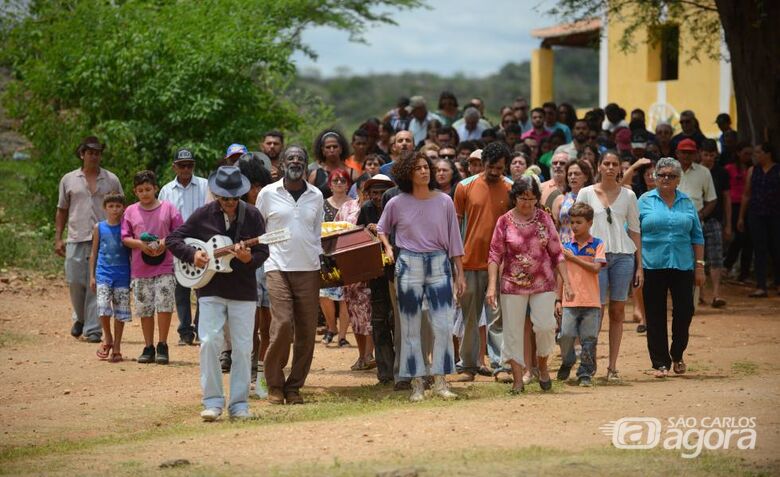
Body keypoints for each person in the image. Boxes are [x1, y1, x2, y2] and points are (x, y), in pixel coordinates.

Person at [167, 166, 269, 420]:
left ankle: (239, 404)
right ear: (216, 194)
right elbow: (173, 239)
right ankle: (212, 401)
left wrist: (248, 259)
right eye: (225, 198)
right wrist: (193, 255)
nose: (231, 203)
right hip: (210, 288)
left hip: (243, 291)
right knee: (210, 343)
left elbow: (263, 251)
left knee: (244, 348)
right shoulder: (203, 215)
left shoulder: (253, 215)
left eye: (235, 198)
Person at [377, 151, 466, 402]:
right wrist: (388, 247)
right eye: (418, 168)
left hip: (439, 262)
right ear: (408, 173)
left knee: (443, 325)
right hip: (408, 263)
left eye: (426, 167)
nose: (425, 171)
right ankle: (416, 383)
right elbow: (381, 228)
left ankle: (440, 381)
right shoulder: (396, 202)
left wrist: (460, 273)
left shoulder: (445, 201)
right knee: (410, 327)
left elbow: (455, 240)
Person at [485, 177, 573, 393]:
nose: (527, 203)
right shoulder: (504, 221)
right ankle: (517, 378)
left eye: (532, 199)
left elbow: (557, 253)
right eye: (523, 198)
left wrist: (568, 283)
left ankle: (541, 367)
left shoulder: (544, 218)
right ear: (514, 197)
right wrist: (491, 286)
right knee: (512, 332)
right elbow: (495, 255)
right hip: (511, 285)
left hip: (543, 283)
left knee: (545, 326)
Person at [256, 145, 323, 405]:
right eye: (291, 158)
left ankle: (294, 387)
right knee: (282, 324)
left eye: (300, 158)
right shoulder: (267, 193)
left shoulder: (316, 195)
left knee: (306, 332)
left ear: (306, 165)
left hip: (309, 268)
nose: (295, 161)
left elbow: (316, 232)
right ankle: (275, 384)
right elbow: (260, 229)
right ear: (282, 163)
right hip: (277, 266)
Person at [576, 150, 643, 382]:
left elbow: (635, 230)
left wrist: (640, 266)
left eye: (615, 164)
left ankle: (612, 366)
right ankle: (588, 365)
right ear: (599, 166)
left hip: (624, 256)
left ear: (620, 168)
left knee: (617, 311)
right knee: (596, 311)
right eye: (607, 163)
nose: (611, 167)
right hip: (596, 258)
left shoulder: (629, 195)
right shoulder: (585, 193)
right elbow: (577, 227)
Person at [639, 158, 705, 378]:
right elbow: (634, 234)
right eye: (662, 175)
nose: (666, 179)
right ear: (655, 177)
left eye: (671, 176)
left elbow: (697, 236)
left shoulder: (687, 203)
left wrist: (700, 266)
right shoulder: (644, 201)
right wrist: (636, 265)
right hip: (652, 264)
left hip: (683, 264)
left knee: (685, 311)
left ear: (679, 179)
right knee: (655, 314)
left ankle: (677, 353)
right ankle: (660, 363)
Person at [453, 142, 513, 381]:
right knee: (469, 317)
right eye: (491, 166)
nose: (495, 171)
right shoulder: (464, 187)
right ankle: (468, 365)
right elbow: (455, 229)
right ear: (482, 163)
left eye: (499, 167)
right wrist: (456, 266)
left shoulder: (510, 188)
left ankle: (500, 366)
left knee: (497, 316)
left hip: (499, 265)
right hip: (468, 263)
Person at [56, 136, 123, 342]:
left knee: (97, 283)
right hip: (76, 236)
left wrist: (123, 235)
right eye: (90, 152)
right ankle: (81, 318)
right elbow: (62, 209)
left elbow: (122, 207)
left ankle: (93, 330)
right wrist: (58, 237)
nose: (94, 156)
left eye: (97, 152)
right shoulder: (69, 179)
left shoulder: (111, 179)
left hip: (104, 237)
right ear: (82, 154)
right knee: (75, 281)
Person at [121, 170, 183, 364]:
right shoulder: (130, 211)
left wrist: (164, 243)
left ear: (156, 188)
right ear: (135, 192)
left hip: (165, 265)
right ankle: (148, 346)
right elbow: (124, 237)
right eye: (140, 190)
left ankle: (162, 344)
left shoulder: (169, 208)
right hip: (140, 268)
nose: (145, 193)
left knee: (164, 305)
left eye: (148, 189)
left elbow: (179, 232)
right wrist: (140, 244)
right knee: (144, 308)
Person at [158, 148, 208, 346]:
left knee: (203, 287)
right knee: (181, 288)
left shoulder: (205, 185)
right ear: (174, 167)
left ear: (193, 166)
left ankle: (201, 327)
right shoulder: (166, 190)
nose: (186, 169)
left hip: (202, 243)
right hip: (178, 245)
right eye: (182, 165)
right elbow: (162, 219)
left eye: (189, 165)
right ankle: (185, 331)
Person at [235, 155, 274, 395]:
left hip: (269, 264)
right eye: (251, 186)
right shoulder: (237, 209)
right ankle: (247, 372)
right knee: (249, 325)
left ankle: (263, 375)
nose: (256, 191)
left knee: (268, 326)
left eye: (259, 185)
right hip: (247, 268)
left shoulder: (271, 201)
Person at [555, 203, 606, 387]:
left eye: (579, 222)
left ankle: (585, 372)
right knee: (566, 335)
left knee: (589, 339)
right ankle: (568, 361)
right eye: (572, 222)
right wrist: (558, 299)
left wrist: (573, 258)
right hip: (570, 301)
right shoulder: (567, 246)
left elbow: (595, 268)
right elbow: (561, 274)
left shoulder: (597, 244)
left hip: (591, 301)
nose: (574, 226)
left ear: (590, 223)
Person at [357, 174, 396, 384]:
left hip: (396, 269)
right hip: (375, 272)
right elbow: (356, 234)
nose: (379, 197)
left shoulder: (398, 205)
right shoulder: (366, 210)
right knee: (379, 320)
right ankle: (385, 372)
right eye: (374, 193)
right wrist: (367, 229)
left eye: (382, 192)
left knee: (397, 319)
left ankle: (401, 368)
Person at [89, 192, 131, 363]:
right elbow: (94, 252)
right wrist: (92, 276)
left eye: (118, 206)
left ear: (123, 208)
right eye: (111, 206)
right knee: (103, 306)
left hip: (122, 274)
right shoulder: (99, 227)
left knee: (120, 311)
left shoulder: (126, 228)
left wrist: (133, 276)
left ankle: (118, 347)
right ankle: (108, 338)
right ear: (105, 208)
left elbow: (131, 254)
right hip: (103, 273)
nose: (114, 209)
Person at [738, 143, 780, 298]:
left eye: (758, 152)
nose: (755, 155)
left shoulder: (777, 170)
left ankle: (778, 282)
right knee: (759, 249)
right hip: (756, 214)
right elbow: (746, 194)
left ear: (767, 154)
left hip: (776, 214)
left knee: (777, 248)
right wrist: (741, 217)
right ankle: (761, 285)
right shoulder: (752, 171)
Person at [319, 169, 352, 347]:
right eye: (335, 180)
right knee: (324, 294)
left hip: (348, 253)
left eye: (343, 180)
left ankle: (343, 335)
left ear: (348, 183)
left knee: (346, 295)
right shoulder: (322, 204)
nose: (339, 183)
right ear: (330, 184)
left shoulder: (354, 204)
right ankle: (331, 327)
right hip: (325, 253)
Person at [698, 139, 731, 307]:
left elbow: (726, 198)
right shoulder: (695, 171)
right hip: (695, 220)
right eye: (706, 154)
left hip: (714, 220)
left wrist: (728, 223)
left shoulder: (722, 173)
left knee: (716, 256)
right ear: (700, 154)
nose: (709, 157)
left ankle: (717, 293)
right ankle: (701, 294)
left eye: (712, 154)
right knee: (698, 258)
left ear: (716, 155)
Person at [723, 143, 754, 282]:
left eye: (750, 154)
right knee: (738, 238)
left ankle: (744, 273)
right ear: (738, 153)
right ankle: (727, 265)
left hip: (749, 206)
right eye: (746, 153)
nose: (748, 156)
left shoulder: (752, 169)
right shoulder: (729, 169)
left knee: (749, 240)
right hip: (734, 205)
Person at [552, 158, 595, 244]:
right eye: (569, 174)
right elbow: (555, 227)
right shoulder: (561, 199)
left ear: (586, 177)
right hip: (565, 245)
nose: (572, 177)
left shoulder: (593, 198)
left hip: (586, 246)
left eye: (577, 174)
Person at [308, 130, 358, 198]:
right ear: (322, 150)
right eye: (328, 147)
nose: (332, 150)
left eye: (335, 147)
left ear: (341, 149)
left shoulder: (352, 174)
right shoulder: (315, 175)